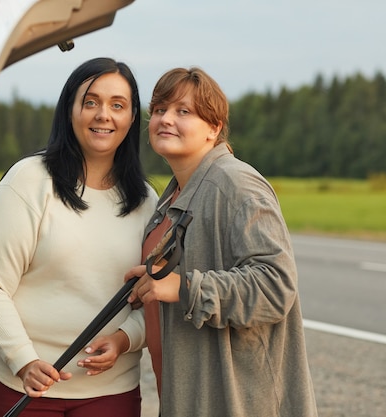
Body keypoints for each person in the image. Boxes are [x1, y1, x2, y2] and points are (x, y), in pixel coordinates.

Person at [0, 57, 158, 417]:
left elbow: (155, 296)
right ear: (70, 110)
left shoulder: (147, 202)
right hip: (17, 381)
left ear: (132, 119)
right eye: (91, 102)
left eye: (118, 105)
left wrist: (125, 338)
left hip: (110, 388)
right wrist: (22, 360)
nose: (104, 115)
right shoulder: (30, 181)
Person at [125, 67, 318, 417]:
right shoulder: (172, 197)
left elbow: (276, 285)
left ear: (213, 129)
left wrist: (184, 287)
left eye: (183, 111)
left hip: (240, 401)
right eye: (159, 110)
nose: (166, 119)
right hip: (189, 394)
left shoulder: (236, 184)